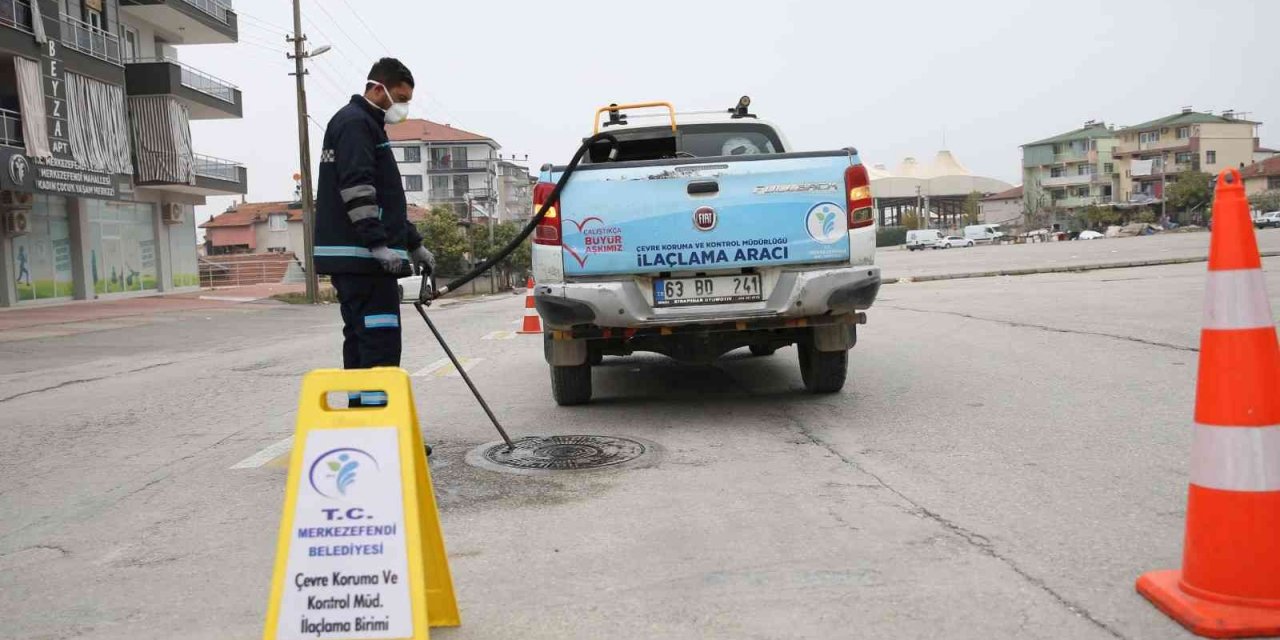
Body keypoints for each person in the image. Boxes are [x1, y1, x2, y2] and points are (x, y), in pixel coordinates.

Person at [314, 57, 434, 407]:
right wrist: (379, 245)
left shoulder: (365, 125)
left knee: (361, 341)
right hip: (363, 259)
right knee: (379, 342)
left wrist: (413, 243)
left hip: (359, 259)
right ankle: (379, 428)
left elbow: (386, 200)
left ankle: (362, 425)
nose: (401, 106)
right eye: (398, 96)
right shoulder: (356, 124)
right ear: (376, 87)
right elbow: (357, 190)